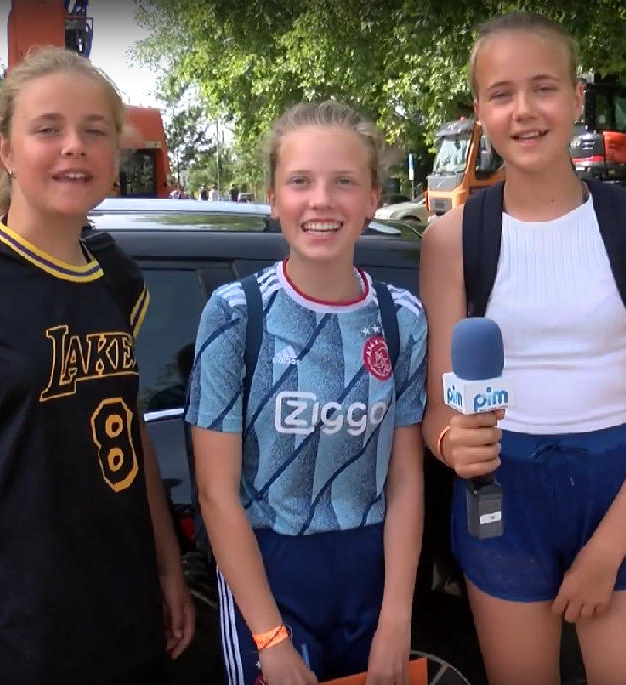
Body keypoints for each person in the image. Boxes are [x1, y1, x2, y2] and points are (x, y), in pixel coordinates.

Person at [0, 47, 194, 685]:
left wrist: (166, 567)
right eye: (48, 129)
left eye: (94, 131)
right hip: (12, 640)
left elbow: (124, 426)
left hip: (126, 621)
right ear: (6, 149)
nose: (74, 147)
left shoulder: (116, 276)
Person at [418, 11, 626, 685]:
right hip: (502, 498)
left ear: (576, 99)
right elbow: (436, 410)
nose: (524, 110)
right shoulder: (450, 240)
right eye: (501, 93)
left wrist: (607, 549)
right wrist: (452, 444)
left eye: (544, 88)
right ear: (480, 112)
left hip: (618, 490)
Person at [187, 100, 428, 685]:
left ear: (372, 197)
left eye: (343, 181)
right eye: (301, 182)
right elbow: (216, 494)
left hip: (368, 570)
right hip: (269, 572)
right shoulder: (235, 314)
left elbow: (404, 479)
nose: (321, 200)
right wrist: (269, 639)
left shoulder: (402, 318)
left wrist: (396, 619)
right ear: (273, 197)